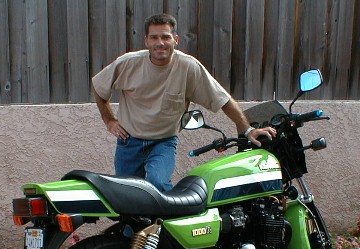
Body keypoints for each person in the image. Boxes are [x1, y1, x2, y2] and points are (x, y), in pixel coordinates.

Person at [92, 13, 276, 192]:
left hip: (162, 143)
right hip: (128, 141)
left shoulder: (188, 67)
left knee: (159, 185)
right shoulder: (128, 64)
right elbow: (98, 87)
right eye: (154, 37)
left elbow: (223, 100)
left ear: (176, 39)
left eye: (166, 37)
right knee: (128, 197)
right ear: (146, 40)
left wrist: (248, 129)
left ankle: (166, 224)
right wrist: (110, 121)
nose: (160, 43)